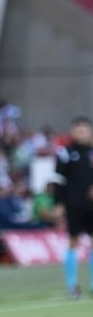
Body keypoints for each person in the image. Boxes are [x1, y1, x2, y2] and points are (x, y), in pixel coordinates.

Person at [55, 116, 93, 297]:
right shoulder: (66, 153)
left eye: (84, 130)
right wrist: (59, 203)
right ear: (72, 132)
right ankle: (72, 286)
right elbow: (58, 180)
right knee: (73, 241)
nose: (81, 134)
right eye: (78, 130)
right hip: (74, 204)